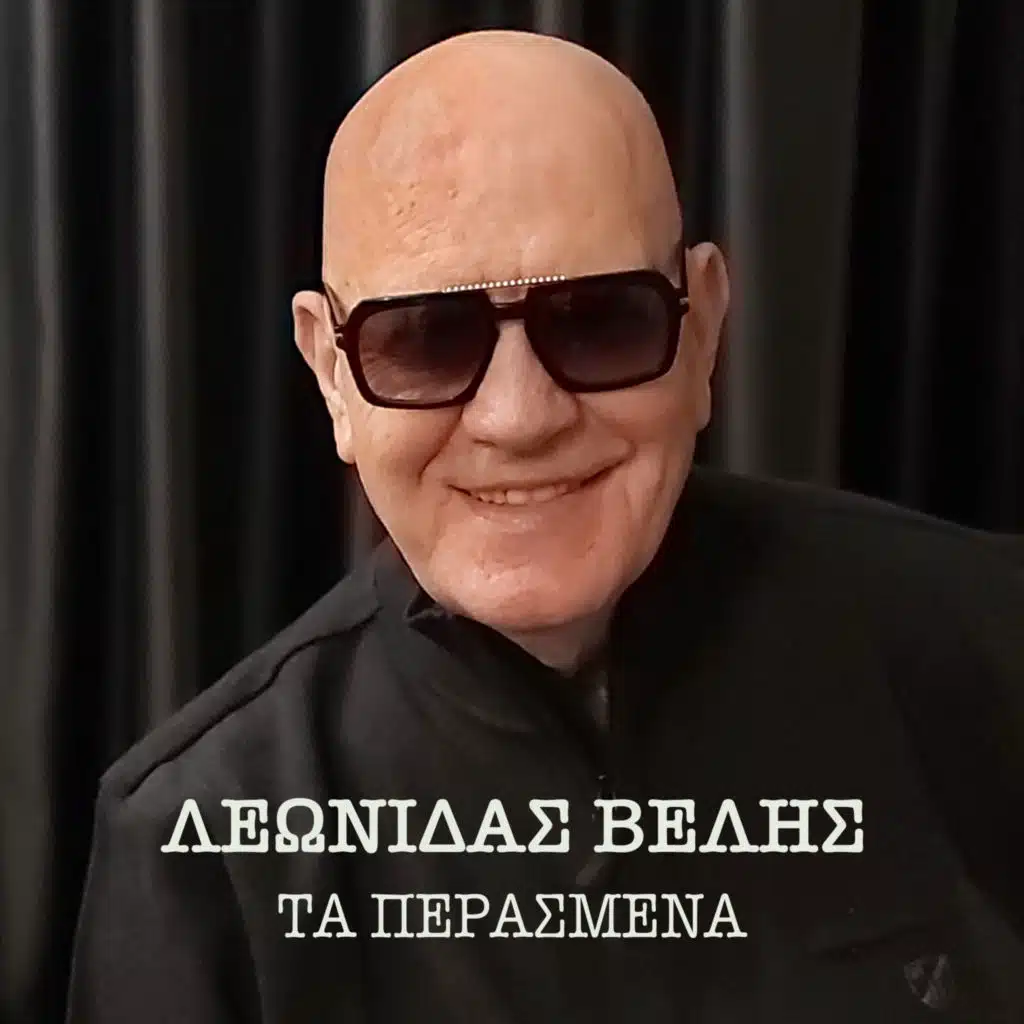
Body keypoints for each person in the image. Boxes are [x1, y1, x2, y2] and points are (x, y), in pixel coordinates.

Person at [66, 29, 1024, 1024]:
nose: (518, 418)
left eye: (599, 319)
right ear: (332, 375)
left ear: (701, 329)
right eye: (425, 339)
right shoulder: (205, 850)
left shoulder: (990, 645)